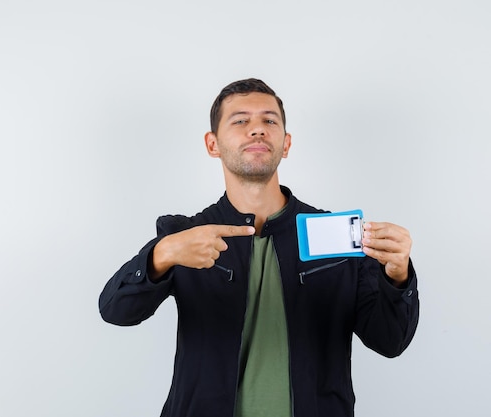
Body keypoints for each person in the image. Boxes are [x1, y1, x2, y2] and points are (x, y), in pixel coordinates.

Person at [99, 78, 419, 417]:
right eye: (240, 121)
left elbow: (390, 341)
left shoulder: (338, 236)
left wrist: (397, 279)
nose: (257, 130)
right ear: (213, 144)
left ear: (286, 143)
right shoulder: (184, 235)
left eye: (269, 120)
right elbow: (115, 311)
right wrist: (161, 255)